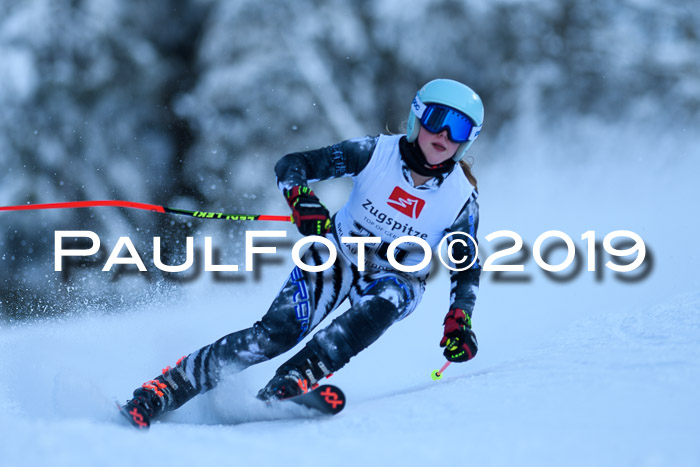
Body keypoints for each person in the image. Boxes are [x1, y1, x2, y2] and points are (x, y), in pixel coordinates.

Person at [120, 78, 484, 428]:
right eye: (437, 120)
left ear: (468, 141)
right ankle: (166, 389)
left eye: (460, 128)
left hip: (397, 276)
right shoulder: (374, 153)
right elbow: (293, 165)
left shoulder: (460, 196)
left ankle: (292, 382)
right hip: (338, 254)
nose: (445, 135)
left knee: (385, 302)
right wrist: (301, 198)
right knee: (276, 333)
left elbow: (465, 263)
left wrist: (460, 318)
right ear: (416, 119)